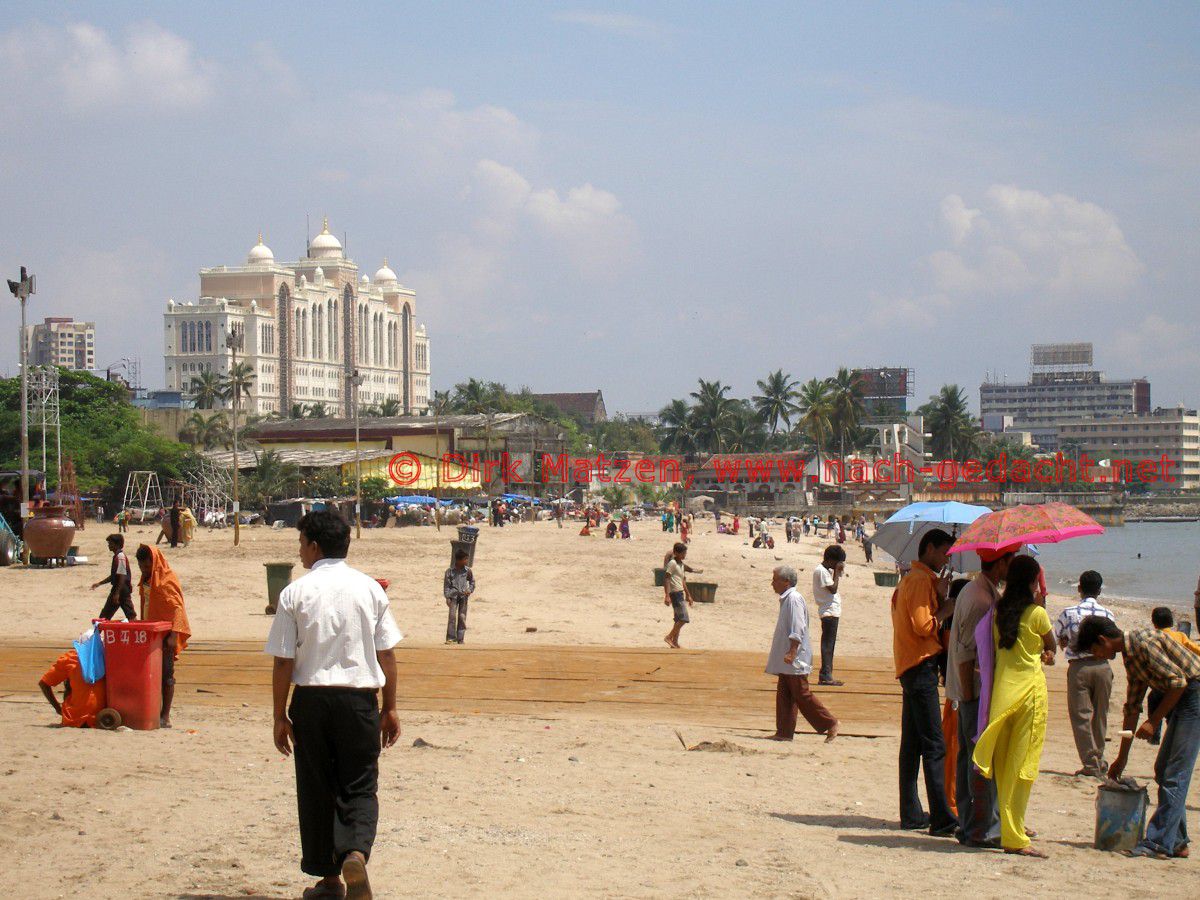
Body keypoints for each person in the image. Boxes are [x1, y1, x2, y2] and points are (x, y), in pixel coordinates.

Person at [265, 509, 403, 899]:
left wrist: (279, 714)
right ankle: (355, 852)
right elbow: (387, 655)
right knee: (359, 784)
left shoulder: (294, 592)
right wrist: (390, 708)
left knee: (316, 787)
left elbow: (282, 660)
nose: (300, 551)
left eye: (301, 543)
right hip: (359, 700)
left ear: (313, 545)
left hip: (310, 701)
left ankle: (329, 880)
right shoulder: (370, 589)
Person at [1077, 614, 1200, 860]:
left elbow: (1178, 683)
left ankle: (1158, 843)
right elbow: (1132, 707)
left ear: (1103, 640)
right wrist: (1121, 759)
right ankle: (1176, 840)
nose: (1097, 656)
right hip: (1184, 696)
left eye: (1095, 650)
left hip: (1193, 694)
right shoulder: (1130, 657)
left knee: (1174, 772)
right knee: (1164, 769)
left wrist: (1153, 722)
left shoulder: (1143, 643)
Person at [972, 556, 1053, 858]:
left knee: (1006, 768)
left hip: (1002, 695)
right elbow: (1051, 646)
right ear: (1033, 582)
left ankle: (1011, 831)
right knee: (1023, 768)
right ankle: (1015, 836)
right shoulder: (1037, 614)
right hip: (1029, 693)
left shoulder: (998, 612)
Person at [945, 548, 1014, 848]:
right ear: (1000, 564)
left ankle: (970, 823)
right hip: (973, 690)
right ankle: (979, 827)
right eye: (1010, 562)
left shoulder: (982, 592)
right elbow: (965, 652)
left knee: (968, 759)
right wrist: (971, 695)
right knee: (979, 759)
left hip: (970, 690)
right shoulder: (980, 599)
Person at [891, 528, 957, 836]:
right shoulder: (918, 581)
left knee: (914, 744)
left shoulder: (916, 580)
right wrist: (946, 607)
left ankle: (912, 813)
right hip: (919, 666)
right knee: (934, 744)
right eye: (945, 552)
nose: (946, 558)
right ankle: (941, 816)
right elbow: (923, 625)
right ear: (930, 549)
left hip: (911, 665)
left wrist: (939, 593)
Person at [765, 565, 839, 743]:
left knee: (801, 693)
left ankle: (830, 722)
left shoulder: (794, 599)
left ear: (786, 582)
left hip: (795, 656)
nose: (772, 583)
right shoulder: (787, 599)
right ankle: (784, 732)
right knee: (785, 693)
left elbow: (798, 627)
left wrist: (792, 651)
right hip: (787, 656)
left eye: (775, 579)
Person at [1052, 570, 1115, 777]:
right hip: (1103, 666)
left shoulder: (1068, 613)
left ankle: (1090, 762)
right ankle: (1100, 758)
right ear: (1099, 590)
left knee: (1081, 716)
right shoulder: (1108, 614)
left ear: (1079, 588)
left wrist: (1065, 641)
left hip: (1079, 667)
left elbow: (1057, 636)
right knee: (1100, 714)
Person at [136, 544, 192, 727]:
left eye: (147, 566)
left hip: (166, 634)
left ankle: (165, 716)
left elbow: (177, 608)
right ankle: (152, 710)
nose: (144, 570)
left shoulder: (167, 579)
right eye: (141, 567)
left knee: (167, 675)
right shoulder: (146, 579)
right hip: (149, 632)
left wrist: (174, 635)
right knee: (150, 674)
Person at [39, 639, 106, 728]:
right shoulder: (106, 657)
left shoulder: (71, 658)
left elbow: (44, 683)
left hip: (73, 718)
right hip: (102, 719)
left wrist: (58, 709)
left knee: (69, 682)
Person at [813, 545, 846, 686]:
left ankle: (827, 674)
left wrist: (835, 572)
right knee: (828, 644)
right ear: (832, 560)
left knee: (829, 644)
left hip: (831, 610)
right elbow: (833, 589)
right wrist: (837, 574)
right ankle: (825, 675)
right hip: (828, 611)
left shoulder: (825, 571)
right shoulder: (821, 571)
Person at [92, 533, 136, 621]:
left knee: (105, 616)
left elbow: (122, 576)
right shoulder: (117, 556)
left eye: (110, 543)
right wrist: (99, 583)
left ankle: (97, 633)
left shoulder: (120, 557)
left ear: (117, 544)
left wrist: (117, 593)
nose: (109, 545)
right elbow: (114, 576)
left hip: (121, 590)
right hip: (120, 589)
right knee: (129, 615)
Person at [663, 542, 694, 649]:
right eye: (683, 553)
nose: (685, 555)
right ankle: (669, 637)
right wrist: (666, 595)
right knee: (684, 618)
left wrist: (688, 595)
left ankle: (675, 642)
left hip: (680, 592)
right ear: (676, 553)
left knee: (678, 619)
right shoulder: (672, 563)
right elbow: (666, 578)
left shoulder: (681, 564)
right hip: (675, 594)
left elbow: (683, 581)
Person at [443, 548, 475, 645]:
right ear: (458, 560)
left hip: (463, 597)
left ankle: (460, 638)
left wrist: (469, 590)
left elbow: (472, 582)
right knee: (452, 617)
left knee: (462, 616)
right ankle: (451, 638)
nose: (466, 561)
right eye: (465, 559)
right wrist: (447, 597)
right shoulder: (450, 571)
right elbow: (446, 586)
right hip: (453, 597)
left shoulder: (468, 571)